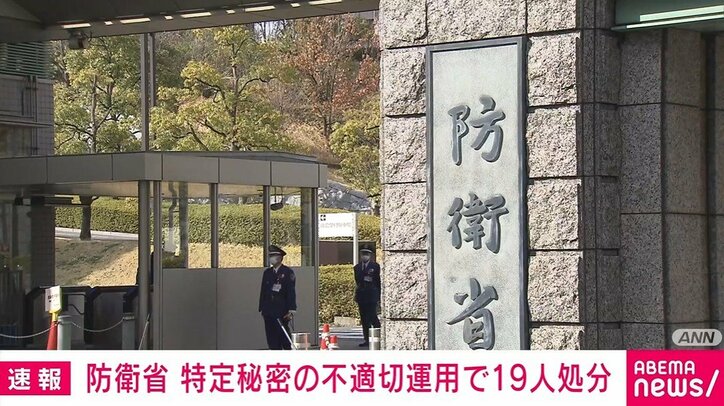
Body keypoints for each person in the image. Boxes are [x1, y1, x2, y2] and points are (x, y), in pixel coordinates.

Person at [258, 245, 297, 350]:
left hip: (281, 311)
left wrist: (291, 309)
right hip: (268, 310)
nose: (271, 258)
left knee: (283, 336)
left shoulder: (287, 272)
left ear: (280, 258)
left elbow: (291, 291)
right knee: (271, 338)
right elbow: (263, 291)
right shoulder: (267, 273)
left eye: (273, 256)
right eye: (270, 256)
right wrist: (262, 307)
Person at [354, 244, 381, 347]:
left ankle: (378, 337)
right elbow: (358, 281)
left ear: (370, 255)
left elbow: (377, 282)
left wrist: (378, 296)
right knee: (364, 318)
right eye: (363, 253)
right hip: (362, 296)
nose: (364, 256)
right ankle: (367, 339)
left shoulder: (375, 266)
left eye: (367, 254)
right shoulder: (357, 267)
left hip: (372, 295)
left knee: (372, 317)